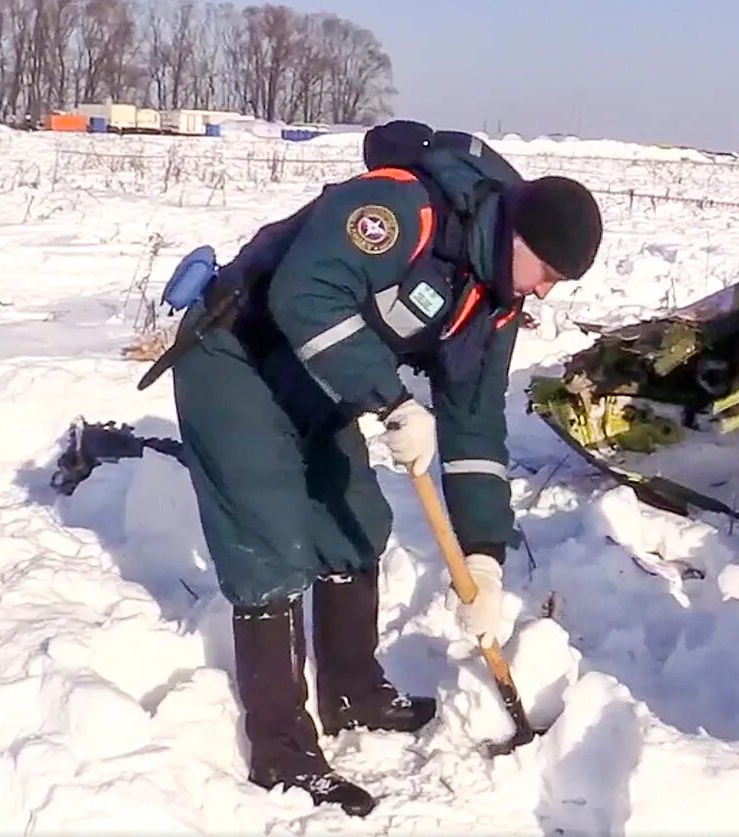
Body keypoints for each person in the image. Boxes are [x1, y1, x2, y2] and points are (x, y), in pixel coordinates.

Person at [167, 123, 603, 816]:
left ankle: (351, 690)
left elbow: (476, 425)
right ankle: (281, 748)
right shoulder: (404, 209)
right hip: (236, 358)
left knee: (357, 523)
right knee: (274, 547)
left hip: (318, 382)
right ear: (518, 235)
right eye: (547, 272)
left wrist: (484, 556)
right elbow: (303, 296)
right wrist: (392, 399)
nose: (547, 292)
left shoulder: (492, 302)